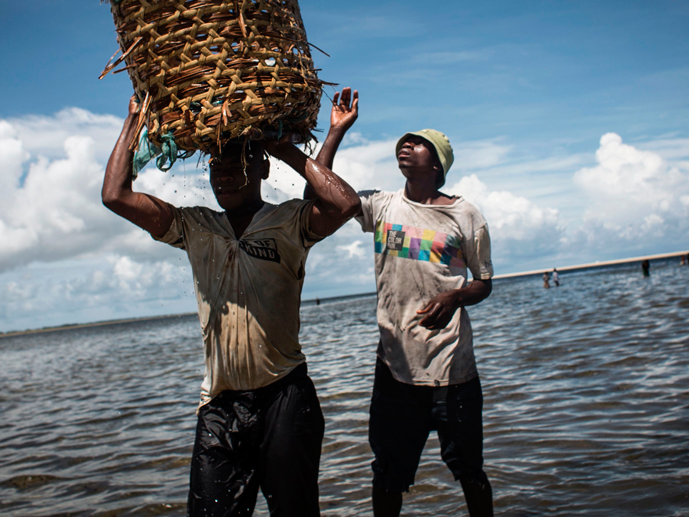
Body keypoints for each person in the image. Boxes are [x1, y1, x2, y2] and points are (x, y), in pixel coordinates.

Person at [102, 94, 361, 516]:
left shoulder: (289, 222)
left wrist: (288, 147)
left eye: (236, 165)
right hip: (220, 406)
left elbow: (343, 204)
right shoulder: (195, 226)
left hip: (285, 397)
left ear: (261, 168)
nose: (222, 177)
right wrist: (133, 121)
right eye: (216, 168)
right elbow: (115, 195)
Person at [308, 88, 495, 517]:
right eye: (403, 143)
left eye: (418, 143)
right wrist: (335, 131)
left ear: (437, 164)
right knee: (388, 476)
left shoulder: (465, 215)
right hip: (395, 370)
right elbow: (322, 187)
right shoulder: (380, 206)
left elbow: (484, 282)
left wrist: (456, 295)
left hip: (454, 371)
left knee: (471, 473)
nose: (405, 146)